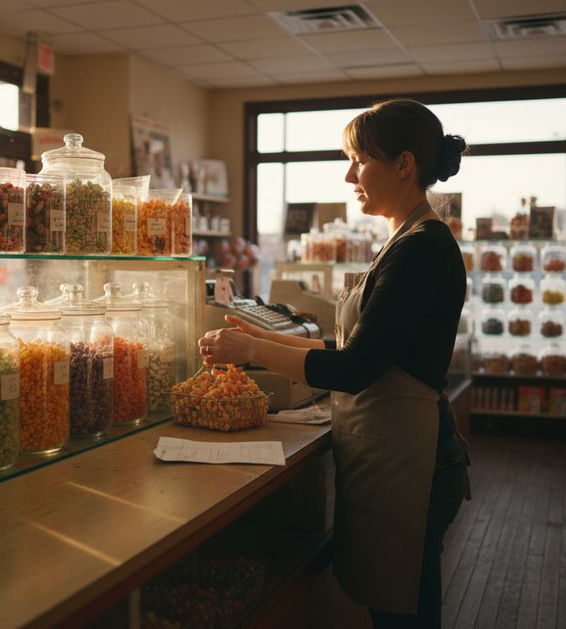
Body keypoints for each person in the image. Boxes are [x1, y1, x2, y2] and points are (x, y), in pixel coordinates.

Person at [199, 99, 470, 628]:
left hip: (410, 461)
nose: (349, 176)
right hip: (395, 449)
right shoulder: (405, 239)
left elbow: (354, 369)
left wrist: (254, 352)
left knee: (405, 612)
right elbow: (355, 350)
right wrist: (260, 334)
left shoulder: (420, 249)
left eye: (359, 160)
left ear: (403, 164)